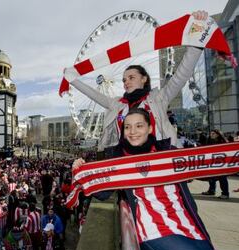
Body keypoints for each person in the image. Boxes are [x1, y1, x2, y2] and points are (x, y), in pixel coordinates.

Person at [73, 108, 223, 250]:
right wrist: (81, 171)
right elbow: (102, 193)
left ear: (150, 128)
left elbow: (204, 172)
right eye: (127, 127)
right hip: (156, 230)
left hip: (191, 227)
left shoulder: (169, 153)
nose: (132, 131)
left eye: (139, 126)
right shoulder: (120, 161)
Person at [70, 11, 208, 149]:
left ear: (144, 79)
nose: (126, 82)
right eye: (124, 80)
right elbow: (94, 94)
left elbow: (181, 75)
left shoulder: (159, 98)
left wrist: (196, 43)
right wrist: (72, 79)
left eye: (131, 78)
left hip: (162, 157)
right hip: (129, 161)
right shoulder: (117, 105)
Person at [201, 129, 230, 199]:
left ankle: (225, 193)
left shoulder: (223, 142)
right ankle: (211, 190)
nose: (211, 135)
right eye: (211, 133)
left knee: (222, 178)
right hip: (212, 163)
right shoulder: (209, 141)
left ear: (217, 135)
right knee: (211, 177)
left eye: (213, 134)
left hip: (221, 164)